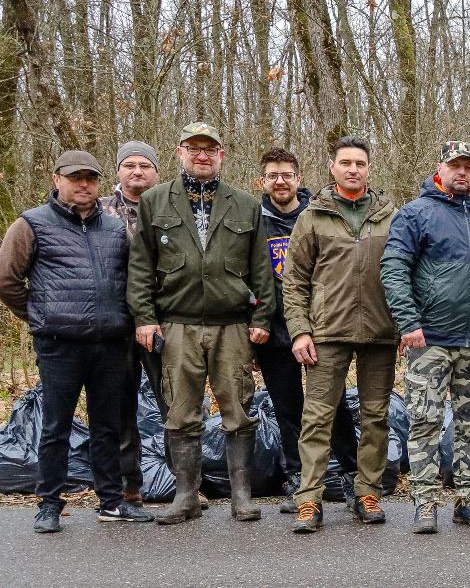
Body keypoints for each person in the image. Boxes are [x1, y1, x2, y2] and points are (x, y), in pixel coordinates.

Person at [126, 122, 275, 525]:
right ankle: (186, 495)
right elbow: (141, 267)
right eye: (194, 148)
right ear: (180, 153)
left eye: (210, 149)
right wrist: (145, 318)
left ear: (221, 155)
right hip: (177, 323)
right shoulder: (155, 201)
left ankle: (241, 496)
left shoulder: (245, 204)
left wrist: (262, 317)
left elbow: (261, 268)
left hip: (232, 326)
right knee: (180, 411)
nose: (202, 155)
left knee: (239, 409)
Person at [0, 151, 153, 532]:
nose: (83, 184)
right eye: (75, 177)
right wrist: (40, 315)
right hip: (60, 345)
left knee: (109, 426)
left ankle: (111, 501)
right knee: (56, 427)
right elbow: (7, 280)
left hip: (111, 344)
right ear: (57, 180)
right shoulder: (31, 224)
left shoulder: (115, 228)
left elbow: (133, 280)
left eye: (90, 178)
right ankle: (49, 505)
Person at [381, 140, 470, 533]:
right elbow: (393, 270)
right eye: (455, 166)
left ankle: (467, 500)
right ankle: (425, 503)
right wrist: (408, 323)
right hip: (429, 340)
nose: (461, 172)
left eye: (469, 167)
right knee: (425, 422)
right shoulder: (415, 214)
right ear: (441, 168)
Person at [280, 137, 399, 533]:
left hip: (380, 332)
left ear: (369, 168)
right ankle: (309, 500)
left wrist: (404, 324)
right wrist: (300, 331)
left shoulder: (389, 216)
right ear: (332, 167)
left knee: (376, 417)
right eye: (345, 162)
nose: (352, 169)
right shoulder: (313, 216)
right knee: (317, 417)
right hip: (326, 331)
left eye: (360, 163)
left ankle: (368, 493)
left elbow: (405, 273)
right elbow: (294, 281)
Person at [254, 147, 361, 516]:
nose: (280, 181)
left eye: (287, 175)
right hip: (273, 331)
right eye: (273, 175)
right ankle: (298, 480)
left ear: (299, 179)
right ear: (262, 181)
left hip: (321, 328)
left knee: (333, 405)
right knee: (286, 407)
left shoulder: (317, 214)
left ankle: (351, 475)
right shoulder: (254, 222)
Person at [98, 140, 162, 512]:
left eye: (145, 166)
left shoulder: (169, 208)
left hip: (162, 320)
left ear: (156, 172)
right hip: (115, 323)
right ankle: (128, 486)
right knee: (120, 406)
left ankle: (187, 484)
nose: (137, 171)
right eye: (130, 165)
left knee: (173, 403)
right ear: (118, 170)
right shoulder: (100, 212)